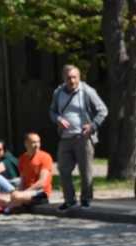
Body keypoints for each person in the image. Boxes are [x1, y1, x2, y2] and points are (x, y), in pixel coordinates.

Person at [49, 64, 108, 211]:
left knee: (85, 170)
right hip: (65, 137)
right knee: (63, 169)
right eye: (69, 78)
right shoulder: (58, 93)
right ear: (64, 78)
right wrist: (58, 120)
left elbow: (103, 110)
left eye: (75, 77)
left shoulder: (87, 91)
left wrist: (92, 126)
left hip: (83, 138)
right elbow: (52, 111)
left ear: (79, 77)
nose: (72, 80)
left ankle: (86, 199)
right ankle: (69, 200)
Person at [0, 132, 53, 214]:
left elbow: (42, 182)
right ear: (26, 144)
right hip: (25, 192)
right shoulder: (23, 158)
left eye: (38, 142)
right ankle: (13, 205)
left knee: (16, 196)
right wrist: (18, 190)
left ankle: (7, 207)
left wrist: (23, 192)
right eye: (33, 142)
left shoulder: (45, 157)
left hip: (40, 193)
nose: (37, 145)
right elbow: (23, 180)